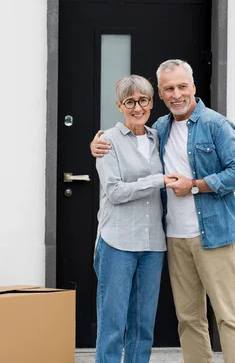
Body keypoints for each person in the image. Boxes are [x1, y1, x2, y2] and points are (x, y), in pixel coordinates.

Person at [91, 59, 235, 363]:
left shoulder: (216, 124)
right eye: (169, 89)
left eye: (182, 86)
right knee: (189, 319)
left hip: (214, 234)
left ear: (193, 87)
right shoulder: (159, 129)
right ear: (162, 96)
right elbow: (124, 150)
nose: (176, 94)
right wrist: (97, 146)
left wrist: (195, 184)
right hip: (174, 238)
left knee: (228, 317)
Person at [94, 74, 175, 363]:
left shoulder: (159, 137)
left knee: (142, 328)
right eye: (130, 102)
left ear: (152, 103)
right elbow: (114, 192)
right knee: (112, 326)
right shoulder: (107, 141)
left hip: (153, 244)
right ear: (119, 106)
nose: (137, 107)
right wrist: (157, 181)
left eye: (143, 100)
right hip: (117, 242)